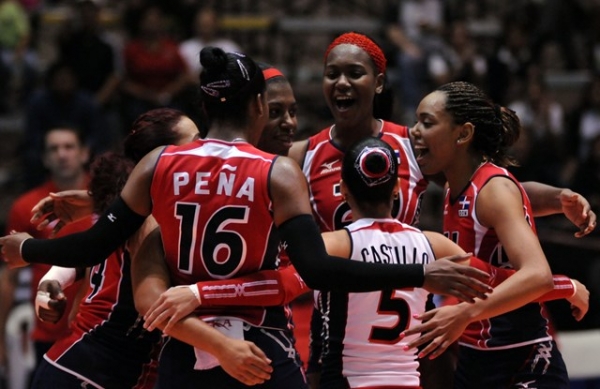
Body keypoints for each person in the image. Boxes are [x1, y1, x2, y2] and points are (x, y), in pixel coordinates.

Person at [0, 47, 493, 388]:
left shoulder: (158, 166)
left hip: (183, 340)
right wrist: (419, 270)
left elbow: (91, 246)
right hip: (259, 336)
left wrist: (28, 249)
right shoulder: (278, 173)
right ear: (257, 104)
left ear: (206, 105)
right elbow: (317, 269)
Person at [285, 31, 596, 389]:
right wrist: (562, 285)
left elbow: (497, 197)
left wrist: (558, 198)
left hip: (420, 321)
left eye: (354, 73)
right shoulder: (302, 155)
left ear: (379, 83)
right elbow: (485, 222)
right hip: (338, 320)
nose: (342, 82)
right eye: (332, 73)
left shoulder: (413, 147)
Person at [400, 81, 581, 388]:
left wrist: (464, 313)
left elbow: (538, 275)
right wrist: (555, 198)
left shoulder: (493, 189)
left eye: (427, 122)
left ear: (463, 134)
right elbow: (515, 196)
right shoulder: (457, 189)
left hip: (522, 357)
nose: (414, 130)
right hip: (476, 358)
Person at [27, 108, 199, 389]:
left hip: (121, 372)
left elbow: (87, 253)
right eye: (195, 141)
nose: (206, 149)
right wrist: (225, 347)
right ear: (161, 159)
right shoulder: (149, 215)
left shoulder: (136, 205)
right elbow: (88, 254)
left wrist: (52, 280)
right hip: (90, 369)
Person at [0, 126, 90, 389]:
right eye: (54, 149)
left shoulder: (111, 202)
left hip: (100, 329)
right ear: (44, 158)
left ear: (84, 153)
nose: (62, 155)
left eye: (69, 147)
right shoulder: (26, 206)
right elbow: (9, 279)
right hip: (50, 331)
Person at [179, 6, 242, 80]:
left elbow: (238, 74)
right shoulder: (184, 48)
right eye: (203, 23)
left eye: (209, 23)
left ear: (217, 24)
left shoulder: (230, 47)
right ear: (195, 24)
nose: (206, 27)